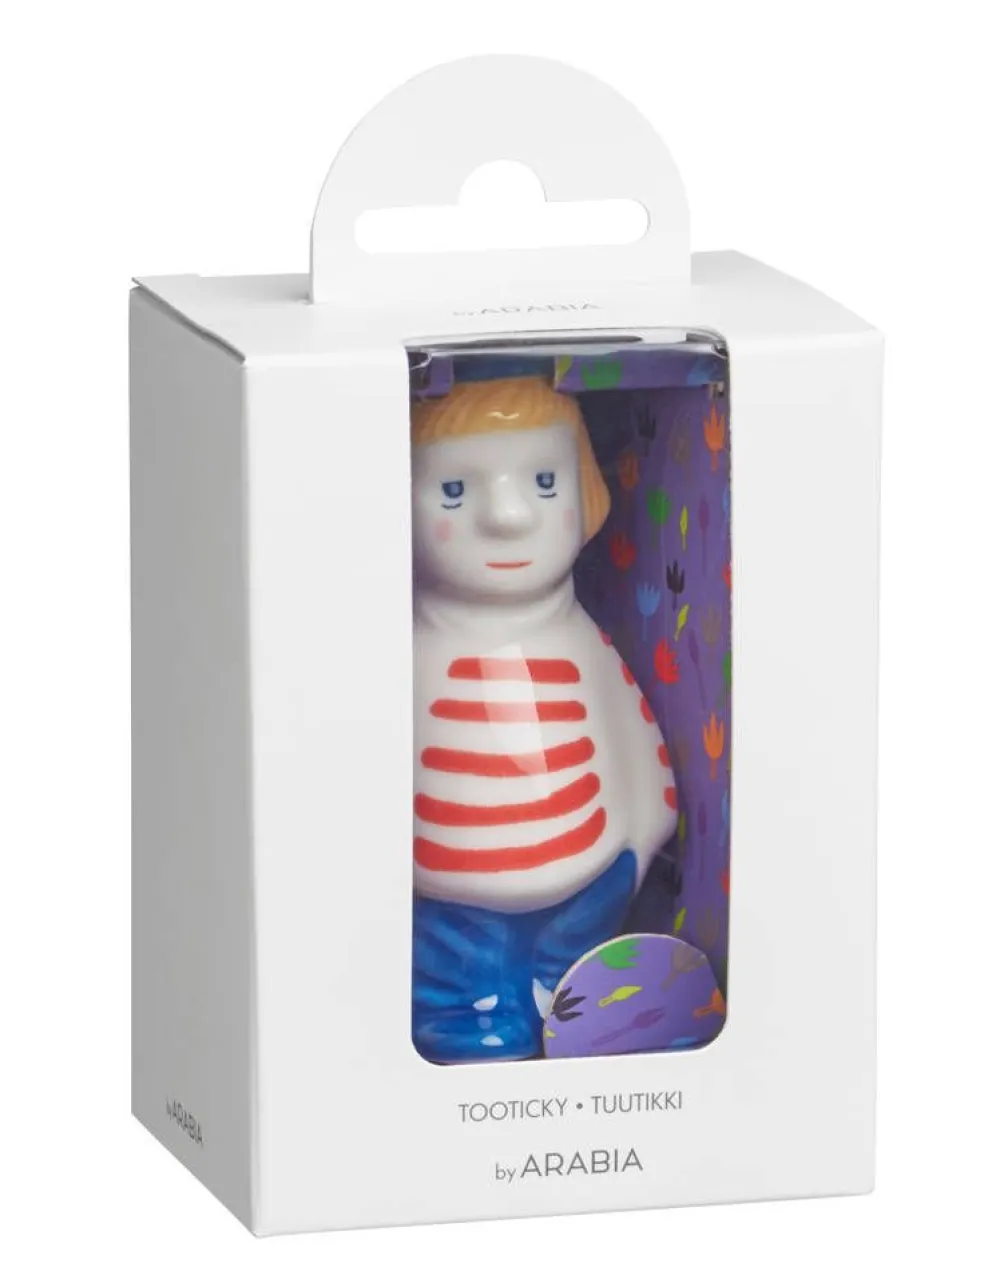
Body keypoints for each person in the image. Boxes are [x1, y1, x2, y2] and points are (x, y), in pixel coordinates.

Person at [411, 374, 678, 1062]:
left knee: (577, 985)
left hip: (593, 876)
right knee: (464, 992)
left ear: (586, 492)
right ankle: (471, 1033)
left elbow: (634, 729)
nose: (507, 516)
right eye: (454, 490)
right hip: (448, 895)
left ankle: (560, 1016)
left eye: (544, 482)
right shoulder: (407, 649)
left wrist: (644, 835)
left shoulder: (582, 640)